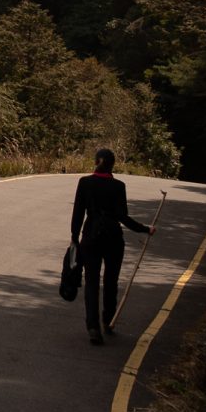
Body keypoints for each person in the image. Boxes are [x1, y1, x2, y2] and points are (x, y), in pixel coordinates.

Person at [69, 147, 153, 344]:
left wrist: (74, 237)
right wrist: (145, 229)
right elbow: (122, 216)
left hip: (90, 237)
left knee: (91, 282)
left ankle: (93, 327)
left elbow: (78, 213)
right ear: (112, 165)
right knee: (111, 281)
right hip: (113, 238)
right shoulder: (118, 186)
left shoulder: (85, 183)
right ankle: (108, 319)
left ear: (96, 162)